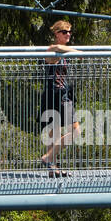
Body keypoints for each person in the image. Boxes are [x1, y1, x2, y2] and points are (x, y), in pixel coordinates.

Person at [38, 20, 80, 176]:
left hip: (61, 94)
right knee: (64, 133)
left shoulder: (64, 52)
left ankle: (50, 164)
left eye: (69, 32)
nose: (68, 34)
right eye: (64, 32)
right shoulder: (52, 50)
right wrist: (80, 53)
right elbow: (58, 48)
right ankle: (49, 161)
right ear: (56, 34)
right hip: (54, 94)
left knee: (67, 132)